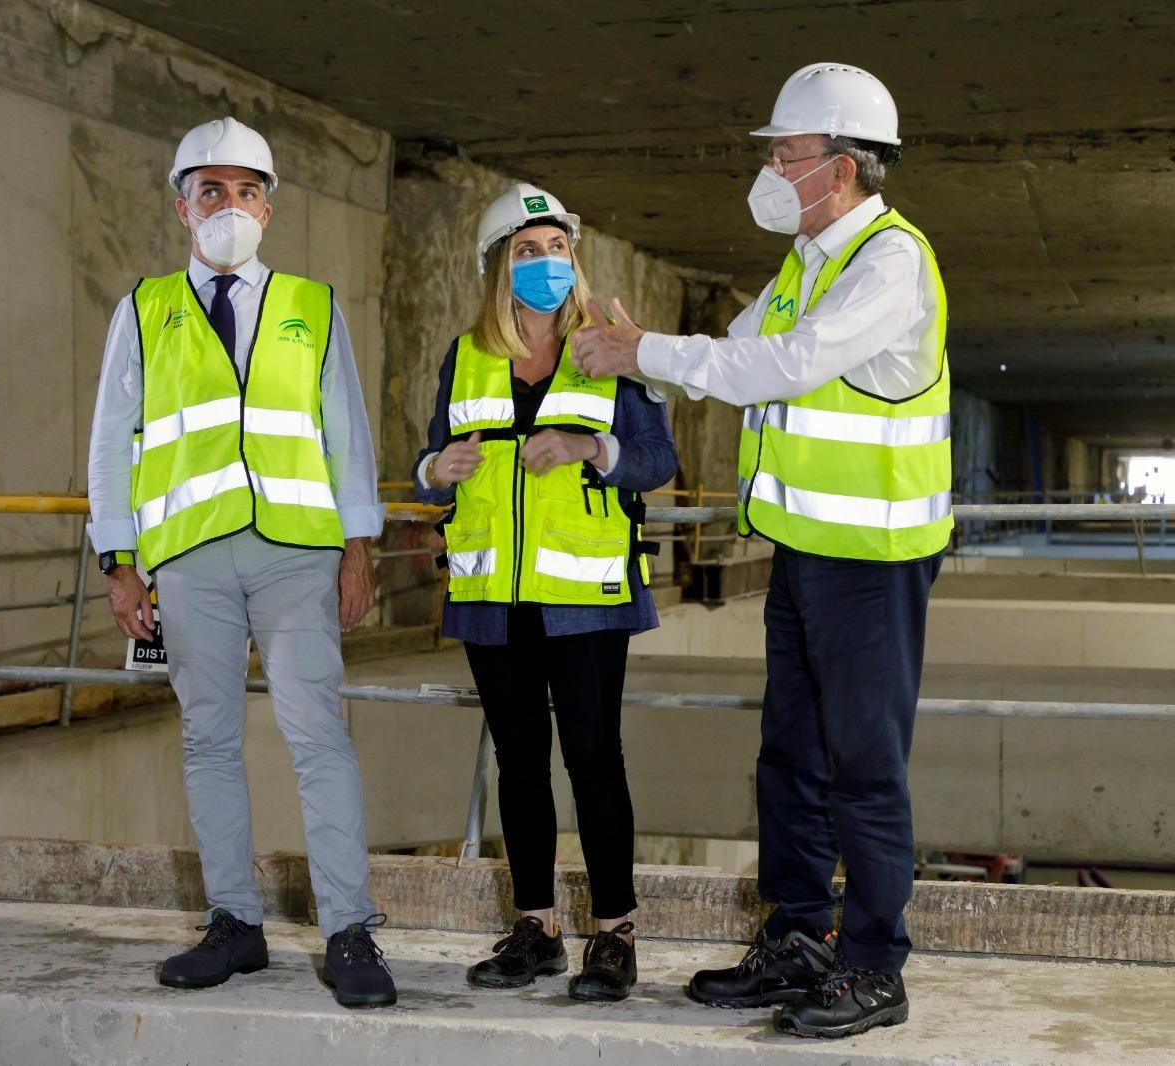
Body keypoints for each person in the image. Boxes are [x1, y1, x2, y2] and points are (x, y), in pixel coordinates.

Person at [575, 62, 947, 1039]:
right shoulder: (807, 263)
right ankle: (797, 937)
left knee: (864, 765)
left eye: (787, 154)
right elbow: (733, 354)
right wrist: (640, 359)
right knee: (792, 755)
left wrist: (646, 352)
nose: (772, 170)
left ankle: (873, 964)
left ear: (842, 167)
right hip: (805, 551)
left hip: (874, 558)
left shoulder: (889, 263)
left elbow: (780, 366)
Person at [85, 116, 395, 1008]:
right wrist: (118, 562)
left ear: (268, 207)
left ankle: (349, 930)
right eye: (211, 190)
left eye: (247, 190)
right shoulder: (144, 310)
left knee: (318, 736)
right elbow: (111, 443)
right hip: (189, 560)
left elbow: (345, 434)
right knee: (209, 741)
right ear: (181, 207)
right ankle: (235, 924)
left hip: (297, 554)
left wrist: (358, 549)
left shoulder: (312, 305)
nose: (230, 204)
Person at [412, 184, 676, 1003]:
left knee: (594, 759)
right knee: (519, 763)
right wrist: (434, 470)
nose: (546, 262)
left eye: (557, 248)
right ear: (498, 266)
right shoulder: (466, 354)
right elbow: (432, 461)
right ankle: (538, 929)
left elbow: (657, 461)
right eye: (528, 251)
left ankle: (615, 934)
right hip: (492, 593)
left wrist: (591, 448)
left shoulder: (608, 346)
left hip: (585, 594)